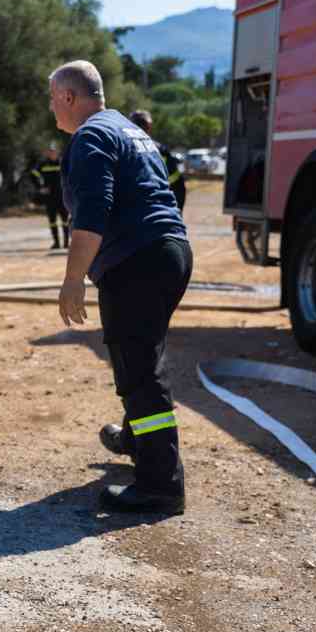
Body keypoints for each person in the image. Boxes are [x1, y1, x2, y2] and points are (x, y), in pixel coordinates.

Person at [50, 60, 193, 515]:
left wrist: (73, 280)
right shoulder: (128, 129)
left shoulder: (91, 135)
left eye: (53, 98)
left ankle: (159, 485)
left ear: (70, 97)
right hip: (168, 252)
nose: (51, 107)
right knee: (142, 353)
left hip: (138, 261)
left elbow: (94, 209)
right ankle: (137, 439)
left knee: (138, 371)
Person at [128, 110, 186, 212]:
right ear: (149, 126)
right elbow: (178, 186)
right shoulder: (159, 149)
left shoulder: (120, 148)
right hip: (156, 211)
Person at [28, 145, 71, 249]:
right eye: (50, 152)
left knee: (65, 221)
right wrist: (40, 187)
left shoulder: (64, 162)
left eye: (54, 151)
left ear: (58, 152)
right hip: (49, 197)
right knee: (52, 221)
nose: (52, 154)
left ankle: (66, 243)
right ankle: (56, 243)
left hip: (62, 197)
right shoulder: (43, 164)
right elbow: (33, 174)